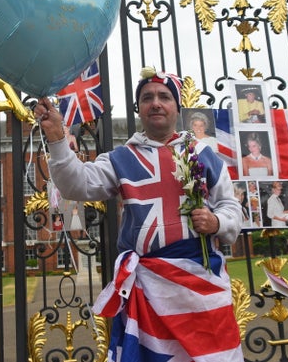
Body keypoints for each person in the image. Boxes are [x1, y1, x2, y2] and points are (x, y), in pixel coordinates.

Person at [34, 67, 244, 362]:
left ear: (177, 107)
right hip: (149, 290)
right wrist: (57, 139)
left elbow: (232, 208)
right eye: (147, 98)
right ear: (139, 109)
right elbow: (75, 184)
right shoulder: (120, 158)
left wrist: (216, 221)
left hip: (203, 289)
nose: (155, 103)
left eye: (164, 96)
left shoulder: (204, 155)